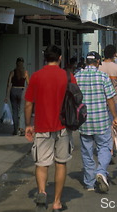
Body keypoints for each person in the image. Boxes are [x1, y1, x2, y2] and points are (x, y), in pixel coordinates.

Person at [24, 45, 76, 211]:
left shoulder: (36, 76)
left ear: (45, 58)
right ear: (60, 58)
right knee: (60, 163)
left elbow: (28, 104)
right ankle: (57, 202)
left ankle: (42, 191)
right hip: (63, 126)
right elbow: (75, 100)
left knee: (42, 163)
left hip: (42, 126)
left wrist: (27, 125)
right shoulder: (68, 76)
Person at [75, 51, 117, 192]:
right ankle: (101, 170)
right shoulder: (103, 76)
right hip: (101, 121)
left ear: (86, 62)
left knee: (87, 151)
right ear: (98, 62)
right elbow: (110, 99)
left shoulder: (77, 76)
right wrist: (115, 116)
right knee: (104, 147)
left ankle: (89, 183)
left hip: (84, 121)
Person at [99, 44, 117, 152]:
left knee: (104, 125)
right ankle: (111, 149)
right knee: (114, 124)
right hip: (115, 99)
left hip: (101, 100)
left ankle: (106, 147)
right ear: (114, 54)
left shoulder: (99, 67)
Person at [5, 57, 29, 136]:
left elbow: (9, 85)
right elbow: (28, 84)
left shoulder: (12, 72)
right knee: (21, 111)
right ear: (23, 64)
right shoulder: (25, 72)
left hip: (13, 91)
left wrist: (6, 96)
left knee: (14, 111)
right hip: (22, 91)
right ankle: (21, 129)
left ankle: (15, 130)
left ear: (16, 63)